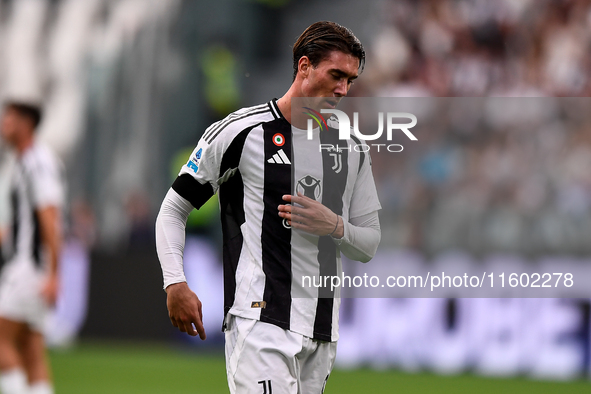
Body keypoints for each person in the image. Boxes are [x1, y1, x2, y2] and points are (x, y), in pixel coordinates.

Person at [156, 21, 381, 393]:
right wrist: (174, 282)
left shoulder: (352, 148)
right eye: (336, 75)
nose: (343, 89)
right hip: (261, 321)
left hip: (322, 333)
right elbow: (173, 208)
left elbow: (369, 244)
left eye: (350, 81)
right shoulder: (241, 132)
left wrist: (335, 226)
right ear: (305, 67)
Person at [0, 102, 64, 394]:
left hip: (29, 269)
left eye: (9, 117)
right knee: (30, 351)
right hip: (34, 269)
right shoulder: (22, 161)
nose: (4, 123)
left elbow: (50, 219)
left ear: (26, 123)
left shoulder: (37, 161)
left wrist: (54, 274)